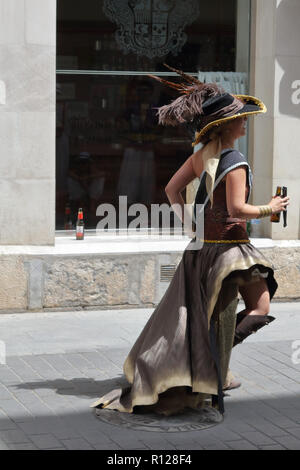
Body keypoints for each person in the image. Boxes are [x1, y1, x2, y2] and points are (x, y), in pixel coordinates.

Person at [91, 65, 290, 417]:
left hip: (202, 250)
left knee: (209, 319)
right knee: (258, 308)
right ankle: (213, 371)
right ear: (227, 125)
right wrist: (269, 207)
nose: (245, 123)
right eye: (241, 119)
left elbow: (172, 190)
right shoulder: (236, 160)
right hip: (230, 252)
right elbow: (236, 208)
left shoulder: (202, 155)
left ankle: (212, 371)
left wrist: (190, 227)